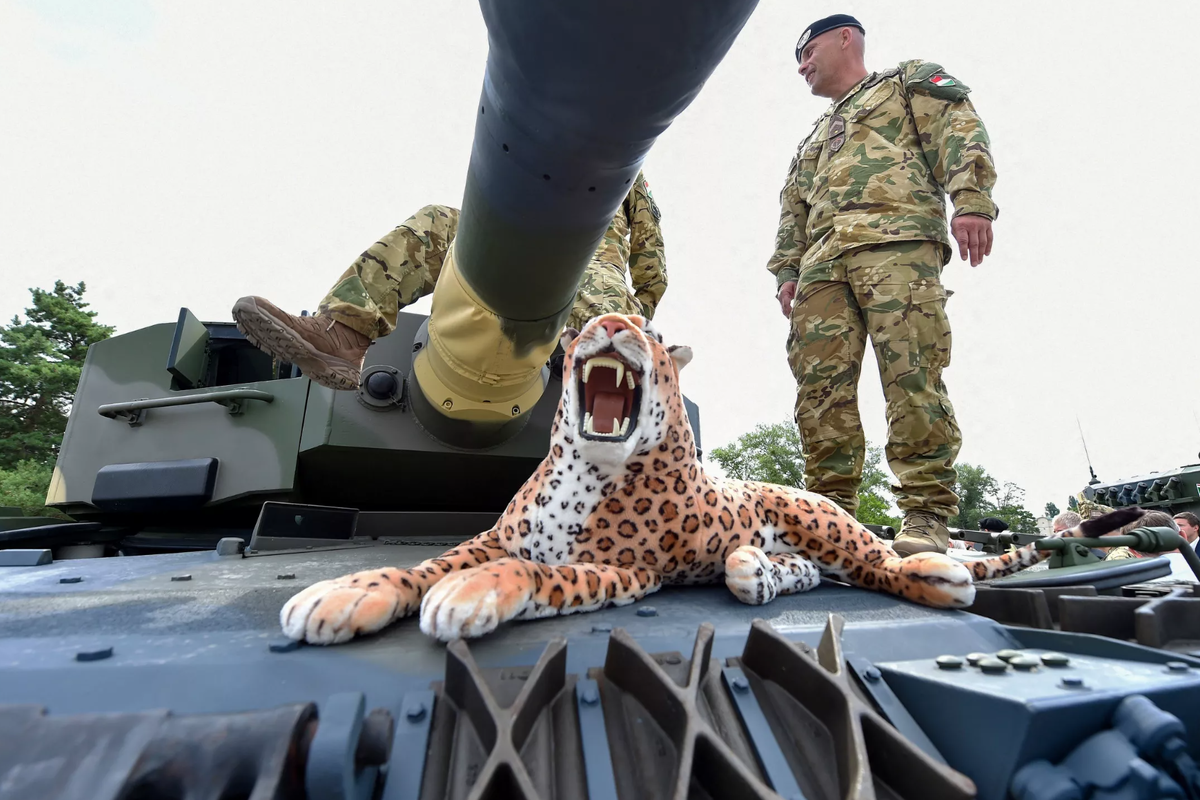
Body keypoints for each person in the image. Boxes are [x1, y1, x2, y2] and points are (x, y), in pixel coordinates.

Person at [766, 14, 998, 557]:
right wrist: (786, 271)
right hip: (822, 269)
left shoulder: (904, 82)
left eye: (807, 52)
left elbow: (959, 130)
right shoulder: (813, 139)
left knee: (911, 374)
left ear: (845, 38)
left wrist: (972, 201)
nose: (802, 67)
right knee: (820, 393)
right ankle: (828, 516)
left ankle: (925, 511)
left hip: (896, 245)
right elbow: (792, 209)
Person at [232, 174, 666, 390]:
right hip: (514, 243)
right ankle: (343, 334)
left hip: (589, 259)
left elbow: (650, 253)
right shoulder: (543, 125)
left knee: (593, 284)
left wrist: (637, 313)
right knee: (437, 222)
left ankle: (617, 406)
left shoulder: (625, 158)